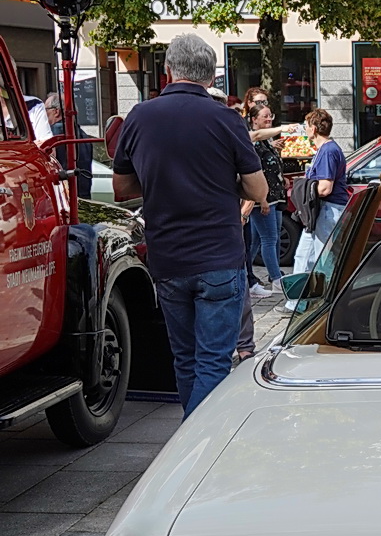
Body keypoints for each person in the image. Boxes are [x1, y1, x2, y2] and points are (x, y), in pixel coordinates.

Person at [112, 32, 267, 415]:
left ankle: (190, 444)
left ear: (167, 72)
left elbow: (121, 188)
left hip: (168, 259)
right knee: (214, 362)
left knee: (184, 360)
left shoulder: (139, 117)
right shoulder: (225, 118)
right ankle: (195, 449)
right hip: (218, 258)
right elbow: (258, 187)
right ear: (211, 78)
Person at [292, 108, 348, 270]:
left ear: (314, 129)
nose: (305, 129)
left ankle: (323, 293)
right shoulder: (324, 150)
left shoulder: (328, 151)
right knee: (303, 257)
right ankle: (298, 293)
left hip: (328, 210)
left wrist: (302, 189)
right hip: (320, 211)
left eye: (306, 125)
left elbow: (325, 188)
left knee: (323, 259)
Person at [246, 102, 286, 294]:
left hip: (273, 196)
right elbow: (255, 171)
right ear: (254, 120)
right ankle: (276, 279)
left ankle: (246, 275)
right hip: (264, 199)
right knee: (269, 239)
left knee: (256, 241)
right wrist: (261, 199)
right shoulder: (254, 141)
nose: (269, 119)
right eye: (265, 116)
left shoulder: (266, 141)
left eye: (271, 116)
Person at [44, 91, 94, 199]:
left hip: (61, 198)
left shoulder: (50, 136)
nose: (42, 114)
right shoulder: (84, 136)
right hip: (83, 196)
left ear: (56, 111)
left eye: (45, 110)